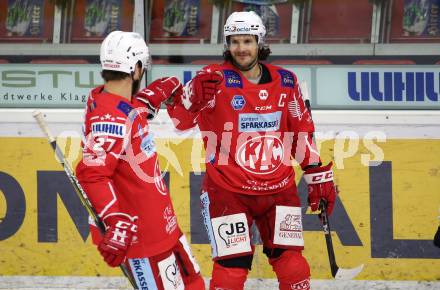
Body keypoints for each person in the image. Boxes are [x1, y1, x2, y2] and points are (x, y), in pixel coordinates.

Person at [164, 11, 338, 290]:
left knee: (293, 265)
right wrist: (191, 97)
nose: (241, 48)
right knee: (232, 267)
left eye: (247, 41)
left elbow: (301, 132)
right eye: (234, 41)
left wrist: (317, 175)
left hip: (279, 189)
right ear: (227, 43)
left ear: (259, 41)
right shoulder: (211, 79)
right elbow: (179, 123)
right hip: (227, 191)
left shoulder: (287, 81)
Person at [76, 30, 205, 290]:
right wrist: (115, 220)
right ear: (135, 68)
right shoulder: (109, 118)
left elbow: (128, 113)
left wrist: (152, 97)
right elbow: (93, 174)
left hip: (162, 226)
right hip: (141, 235)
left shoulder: (113, 103)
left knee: (194, 284)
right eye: (142, 68)